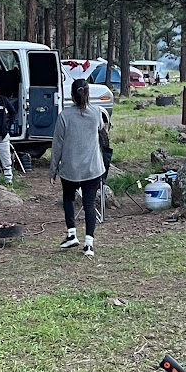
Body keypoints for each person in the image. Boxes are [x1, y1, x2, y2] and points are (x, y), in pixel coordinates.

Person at [49, 78, 108, 257]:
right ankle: (89, 243)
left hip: (70, 168)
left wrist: (53, 170)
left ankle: (71, 234)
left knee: (68, 199)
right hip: (92, 168)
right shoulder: (96, 113)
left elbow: (57, 145)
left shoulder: (64, 116)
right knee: (89, 203)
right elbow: (101, 128)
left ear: (72, 96)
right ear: (88, 94)